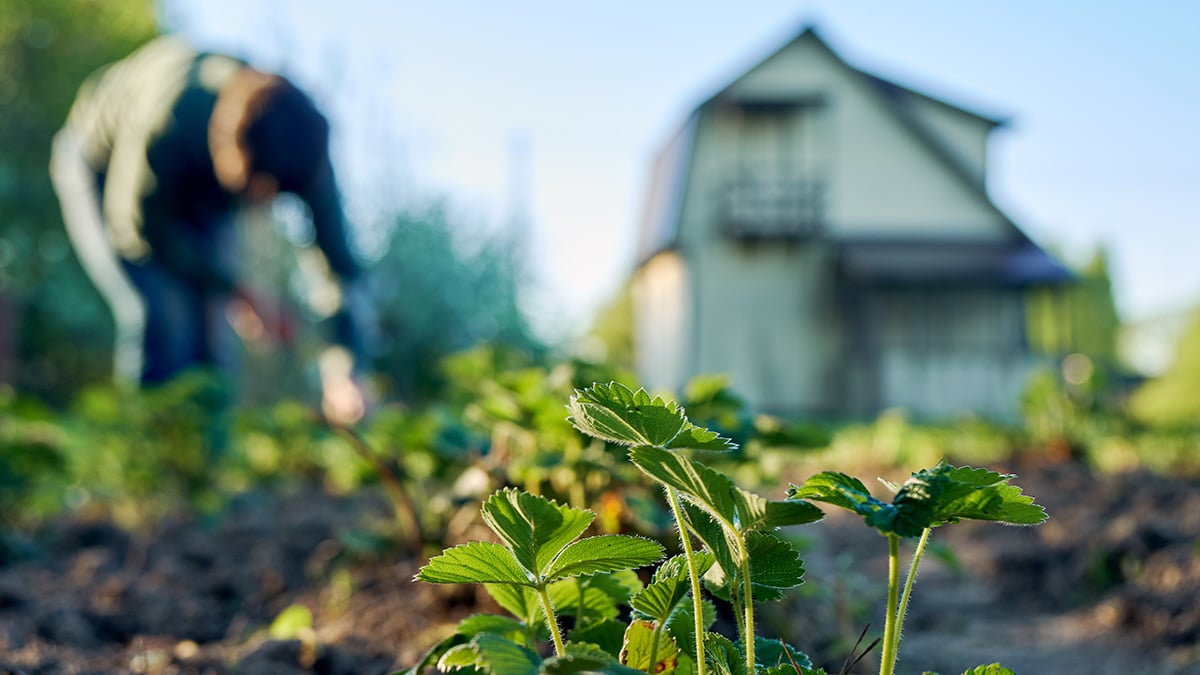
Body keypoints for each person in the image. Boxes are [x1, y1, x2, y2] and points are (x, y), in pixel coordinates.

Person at [50, 35, 371, 425]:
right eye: (254, 192)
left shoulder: (303, 148)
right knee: (158, 311)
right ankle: (146, 463)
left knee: (213, 332)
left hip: (197, 191)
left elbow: (338, 267)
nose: (262, 204)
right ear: (229, 152)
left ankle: (203, 469)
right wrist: (235, 290)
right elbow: (137, 231)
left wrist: (343, 368)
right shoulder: (169, 116)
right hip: (102, 166)